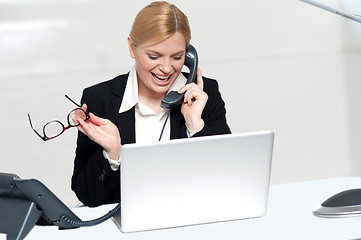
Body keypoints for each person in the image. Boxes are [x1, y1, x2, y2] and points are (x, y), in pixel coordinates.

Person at [71, 1, 231, 207]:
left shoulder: (205, 93)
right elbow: (87, 196)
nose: (166, 68)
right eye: (153, 56)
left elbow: (227, 180)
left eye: (177, 56)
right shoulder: (98, 98)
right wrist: (112, 155)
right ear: (131, 47)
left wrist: (195, 126)